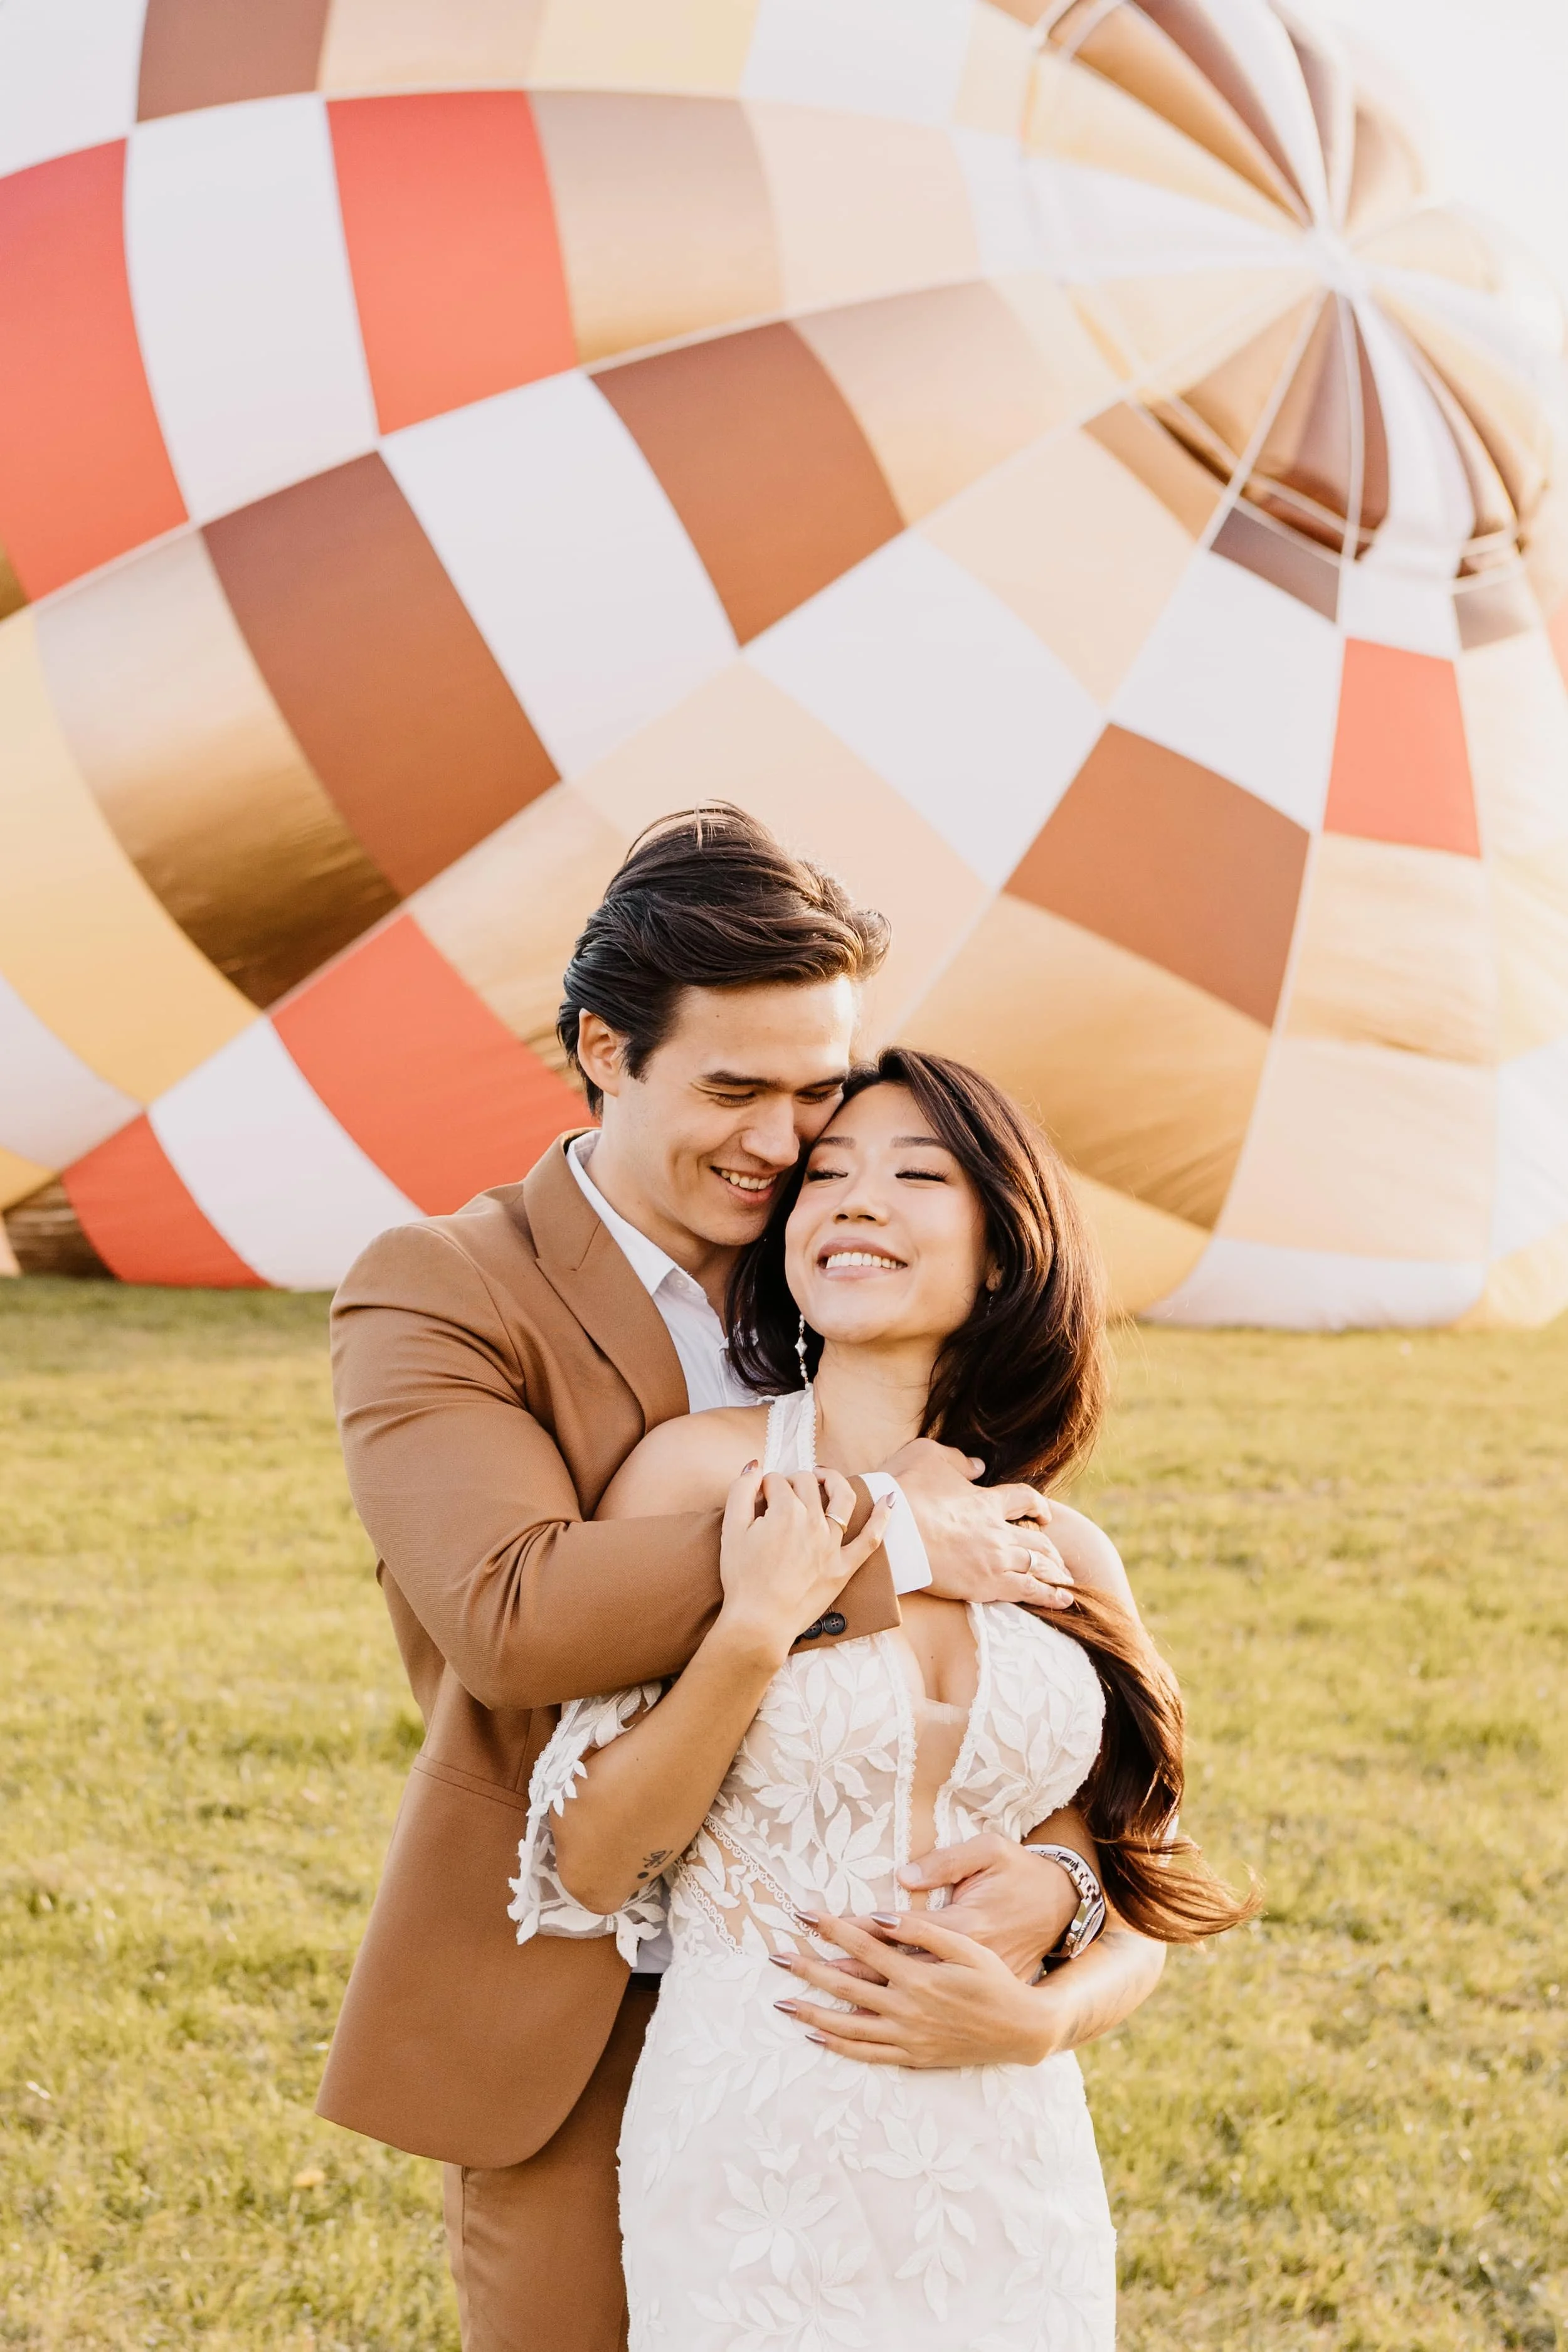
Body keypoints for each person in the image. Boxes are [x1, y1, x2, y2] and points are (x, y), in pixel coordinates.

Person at [320, 807, 1162, 2352]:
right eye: (732, 1091)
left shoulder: (841, 1250)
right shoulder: (441, 1286)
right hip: (574, 1990)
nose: (782, 1148)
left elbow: (1101, 1810)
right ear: (602, 1050)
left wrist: (1053, 1900)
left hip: (904, 2041)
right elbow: (512, 1618)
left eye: (815, 1096)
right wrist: (886, 1540)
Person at [512, 1050, 1255, 2349]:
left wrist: (1037, 2017)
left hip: (1006, 2160)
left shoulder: (1060, 1552)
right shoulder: (698, 1478)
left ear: (1001, 1252)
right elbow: (588, 1860)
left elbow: (1145, 1890)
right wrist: (753, 1629)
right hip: (754, 2156)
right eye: (826, 1176)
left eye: (916, 1175)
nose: (854, 1200)